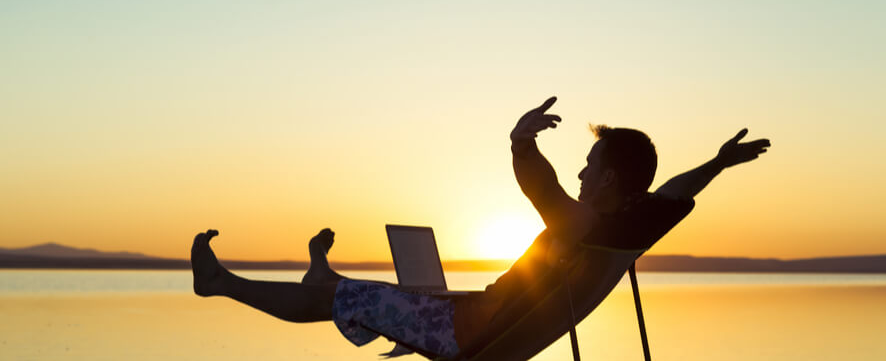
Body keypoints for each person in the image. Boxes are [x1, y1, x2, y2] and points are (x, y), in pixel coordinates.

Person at [190, 96, 771, 358]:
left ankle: (222, 283)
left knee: (343, 301)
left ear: (612, 178)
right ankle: (327, 277)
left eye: (590, 166)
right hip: (479, 315)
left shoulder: (583, 222)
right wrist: (717, 164)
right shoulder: (635, 223)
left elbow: (540, 188)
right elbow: (673, 191)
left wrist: (519, 140)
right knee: (385, 294)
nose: (580, 172)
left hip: (464, 334)